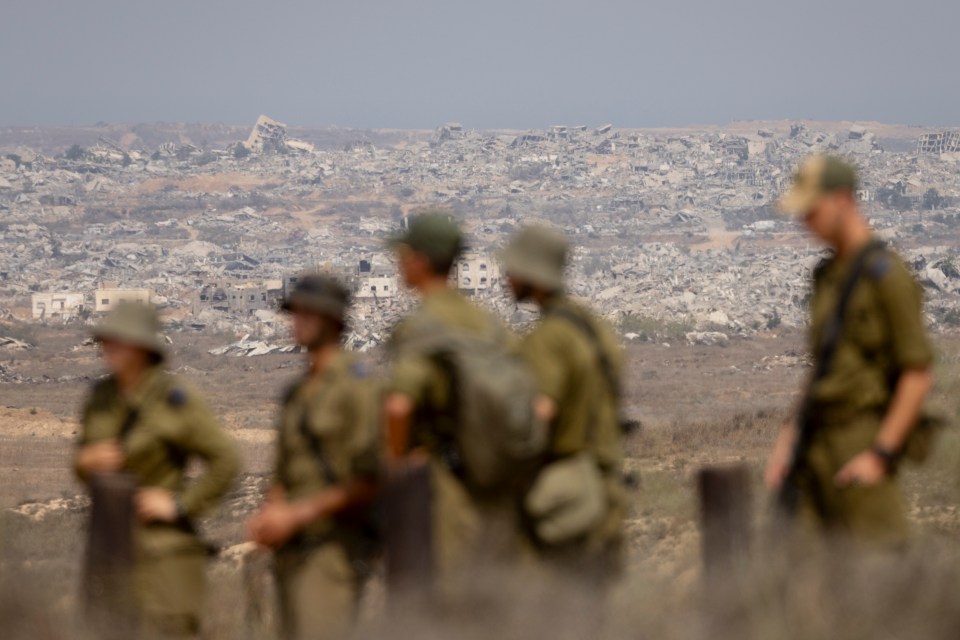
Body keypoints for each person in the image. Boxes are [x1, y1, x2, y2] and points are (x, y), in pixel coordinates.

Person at [765, 154, 935, 548]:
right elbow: (822, 368)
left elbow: (917, 372)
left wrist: (880, 454)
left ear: (842, 199)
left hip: (861, 437)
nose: (804, 221)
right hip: (815, 445)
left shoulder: (887, 276)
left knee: (874, 579)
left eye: (812, 209)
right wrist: (787, 443)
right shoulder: (825, 276)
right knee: (797, 576)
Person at [74, 302, 239, 637]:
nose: (110, 349)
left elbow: (226, 460)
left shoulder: (174, 398)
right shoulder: (100, 397)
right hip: (108, 551)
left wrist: (180, 505)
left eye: (121, 341)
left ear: (144, 347)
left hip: (162, 557)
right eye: (107, 341)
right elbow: (83, 463)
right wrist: (84, 462)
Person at [384, 211, 519, 597]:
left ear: (419, 260)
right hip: (495, 484)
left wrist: (395, 470)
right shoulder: (489, 324)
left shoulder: (421, 327)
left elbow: (399, 406)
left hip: (442, 487)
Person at [247, 274, 380, 640]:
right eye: (296, 313)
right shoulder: (297, 392)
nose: (299, 322)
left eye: (310, 314)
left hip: (334, 548)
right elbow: (285, 471)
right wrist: (272, 513)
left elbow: (370, 478)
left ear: (335, 321)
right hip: (292, 550)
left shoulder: (357, 385)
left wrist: (299, 514)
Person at [500, 225, 628, 585]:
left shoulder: (549, 337)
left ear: (533, 275)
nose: (506, 278)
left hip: (565, 498)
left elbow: (538, 415)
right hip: (605, 489)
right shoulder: (593, 327)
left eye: (513, 270)